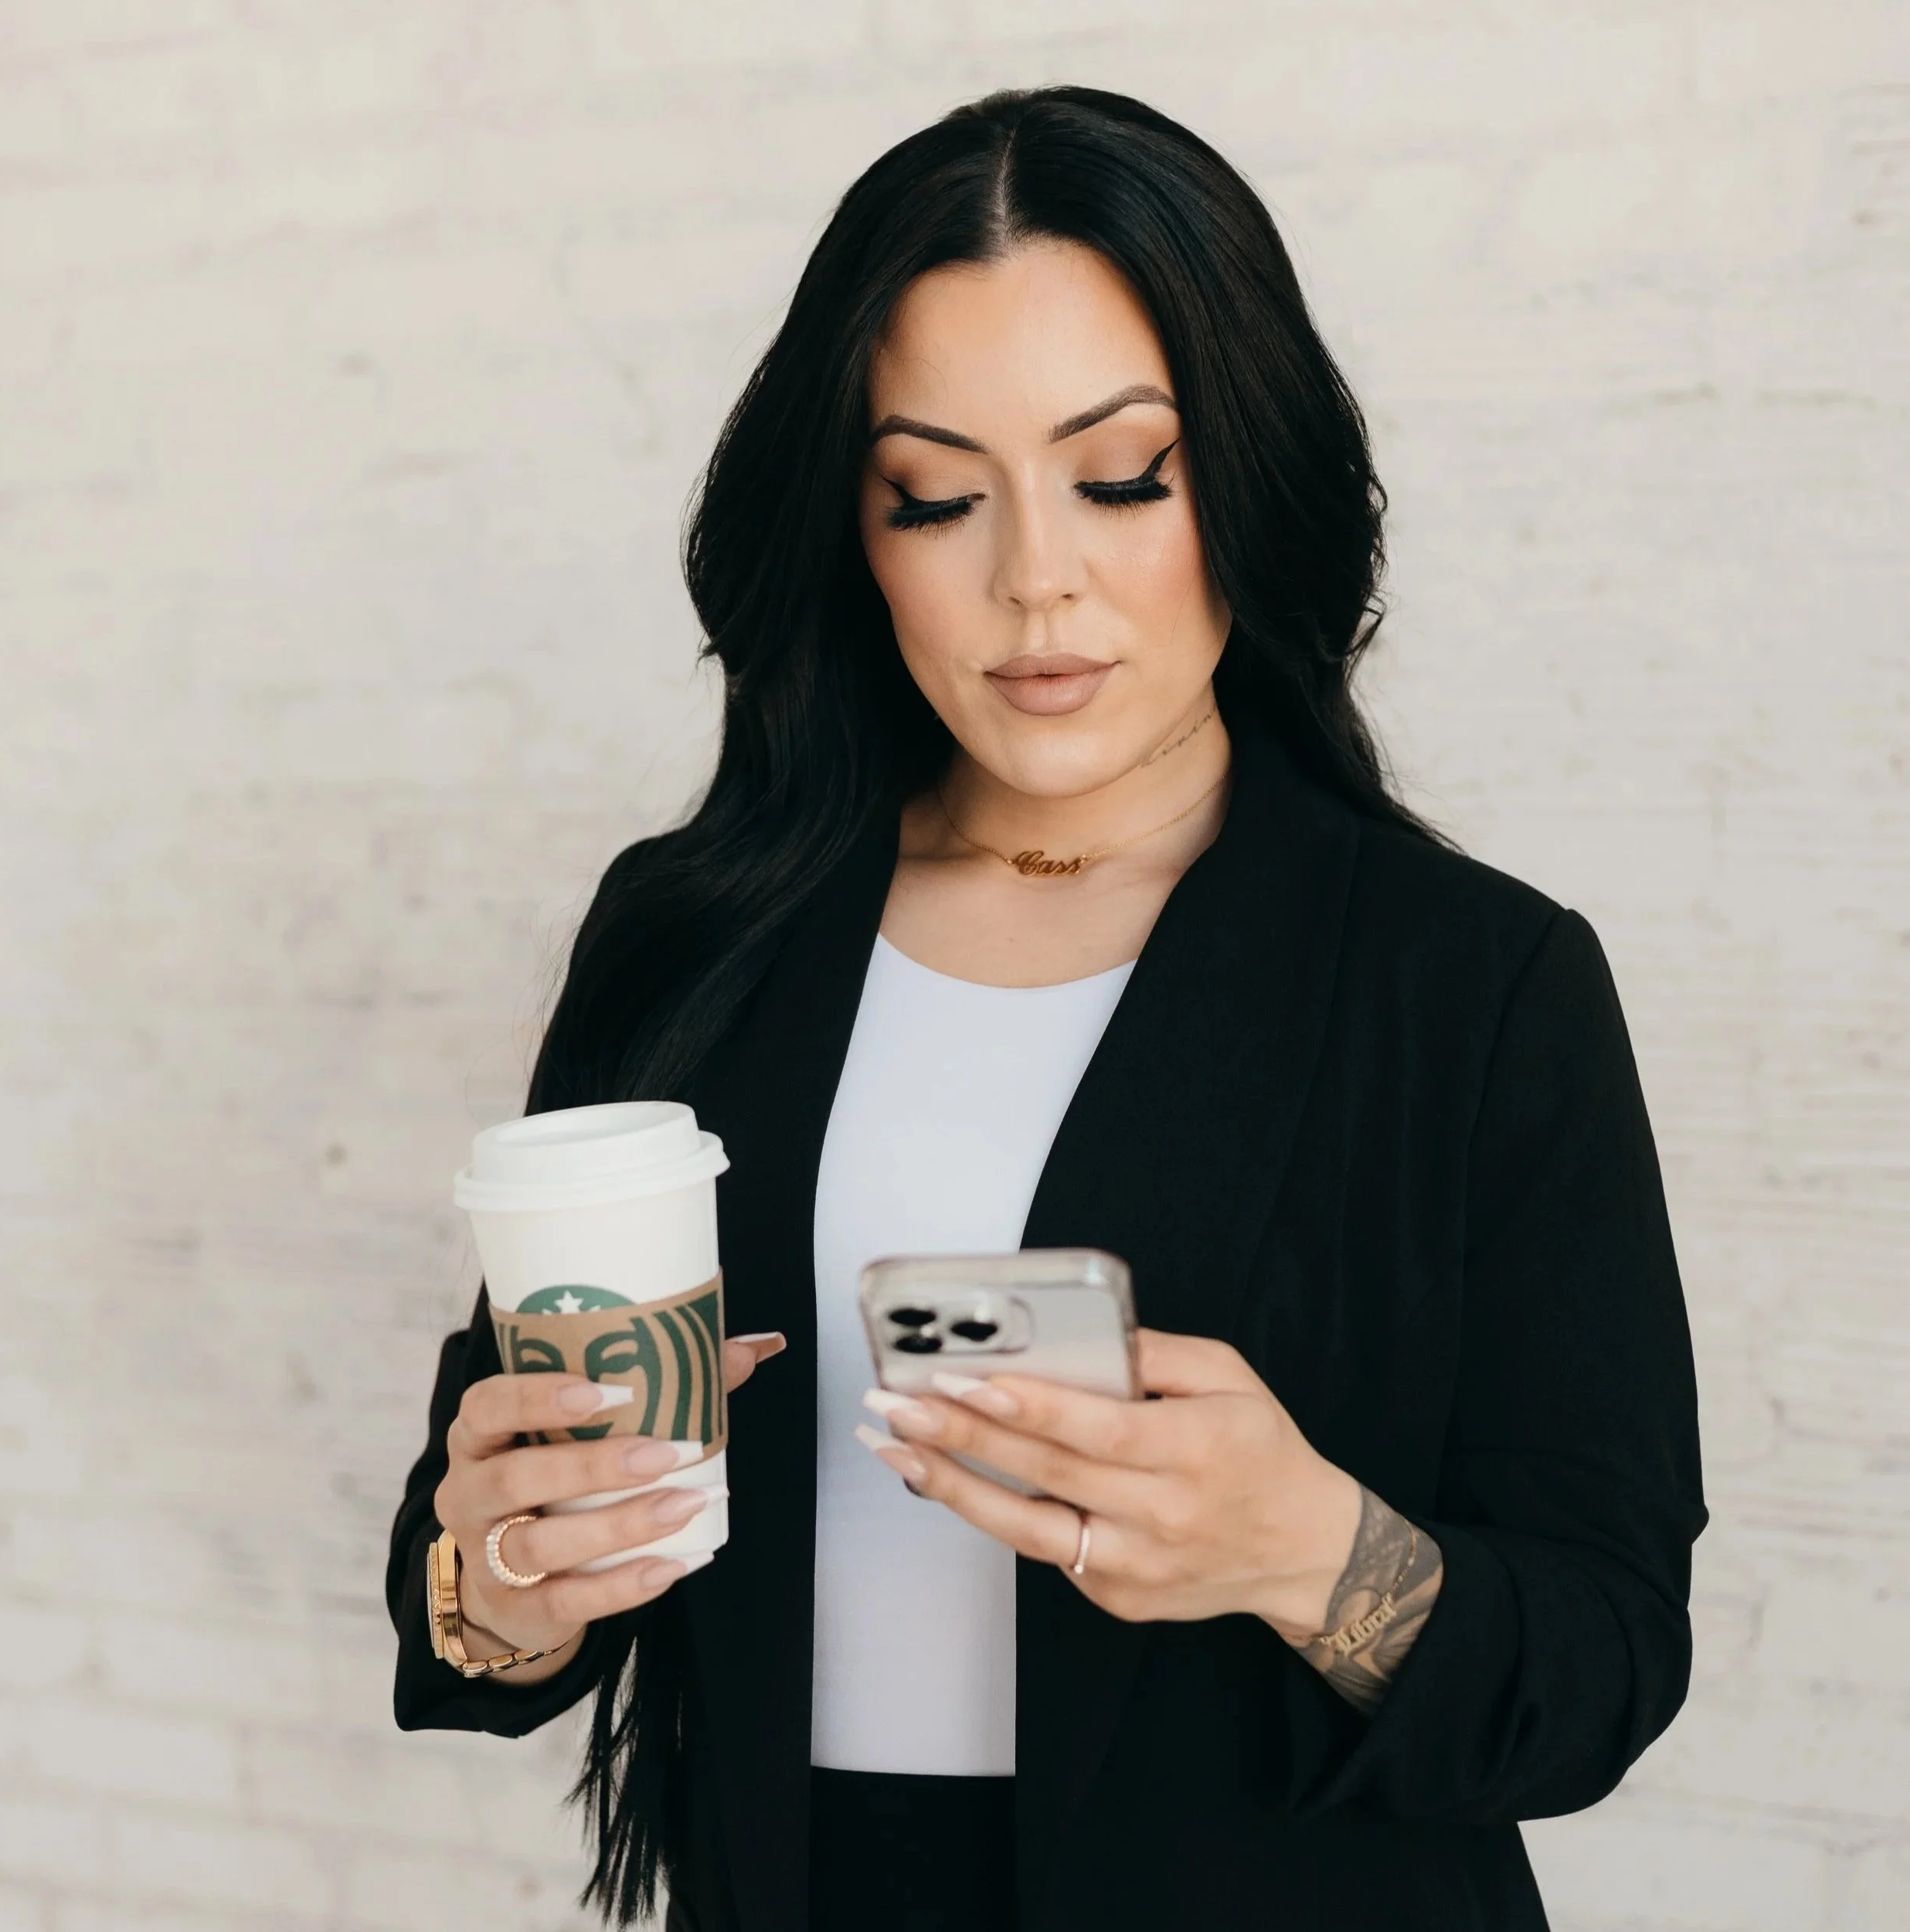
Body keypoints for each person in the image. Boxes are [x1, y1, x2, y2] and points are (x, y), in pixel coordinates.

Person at [387, 86, 1704, 1932]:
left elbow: (1599, 1655)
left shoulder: (1468, 983)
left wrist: (1307, 1551)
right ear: (851, 524)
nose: (1032, 579)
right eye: (933, 493)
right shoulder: (699, 934)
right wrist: (495, 1581)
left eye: (1119, 476)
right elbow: (480, 1521)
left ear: (1242, 472)